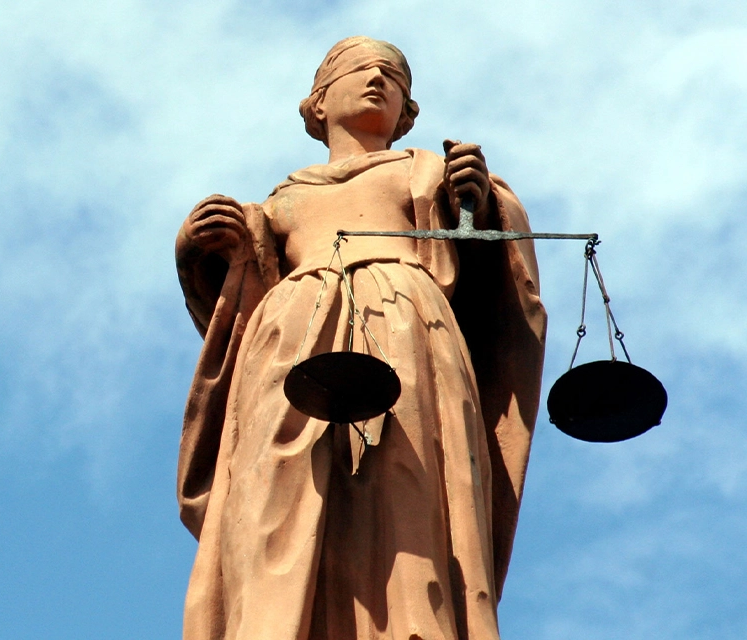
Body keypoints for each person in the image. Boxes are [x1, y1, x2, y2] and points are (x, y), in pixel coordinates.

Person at [174, 36, 547, 640]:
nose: (377, 78)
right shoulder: (280, 201)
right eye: (358, 69)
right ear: (318, 103)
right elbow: (242, 297)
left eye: (393, 76)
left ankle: (412, 621)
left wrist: (480, 201)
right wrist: (202, 245)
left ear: (407, 111)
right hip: (292, 343)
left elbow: (490, 270)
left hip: (407, 329)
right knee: (274, 493)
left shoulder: (426, 170)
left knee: (410, 482)